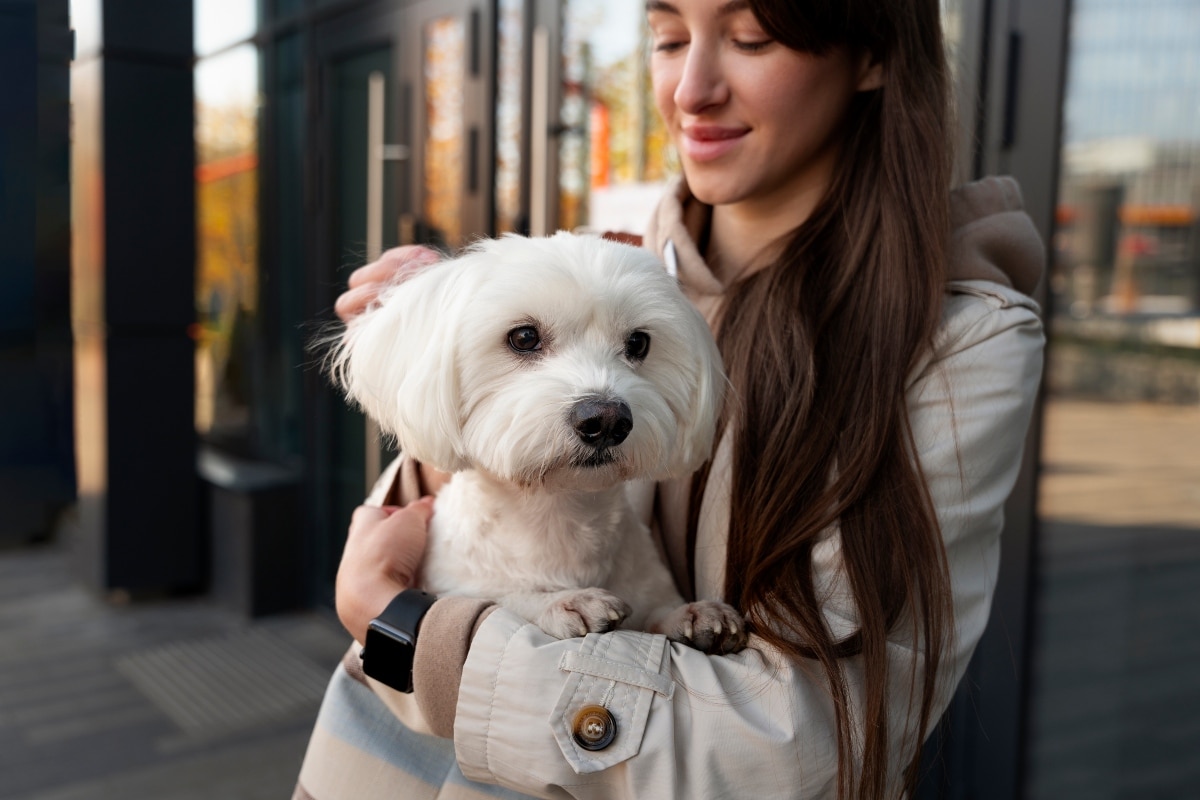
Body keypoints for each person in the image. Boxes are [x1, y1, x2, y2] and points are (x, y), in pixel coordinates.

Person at [294, 0, 1045, 797]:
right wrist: (422, 351)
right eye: (667, 38)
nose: (691, 89)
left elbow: (799, 743)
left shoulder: (959, 344)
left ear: (872, 56)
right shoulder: (615, 264)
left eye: (752, 38)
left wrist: (414, 635)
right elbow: (456, 503)